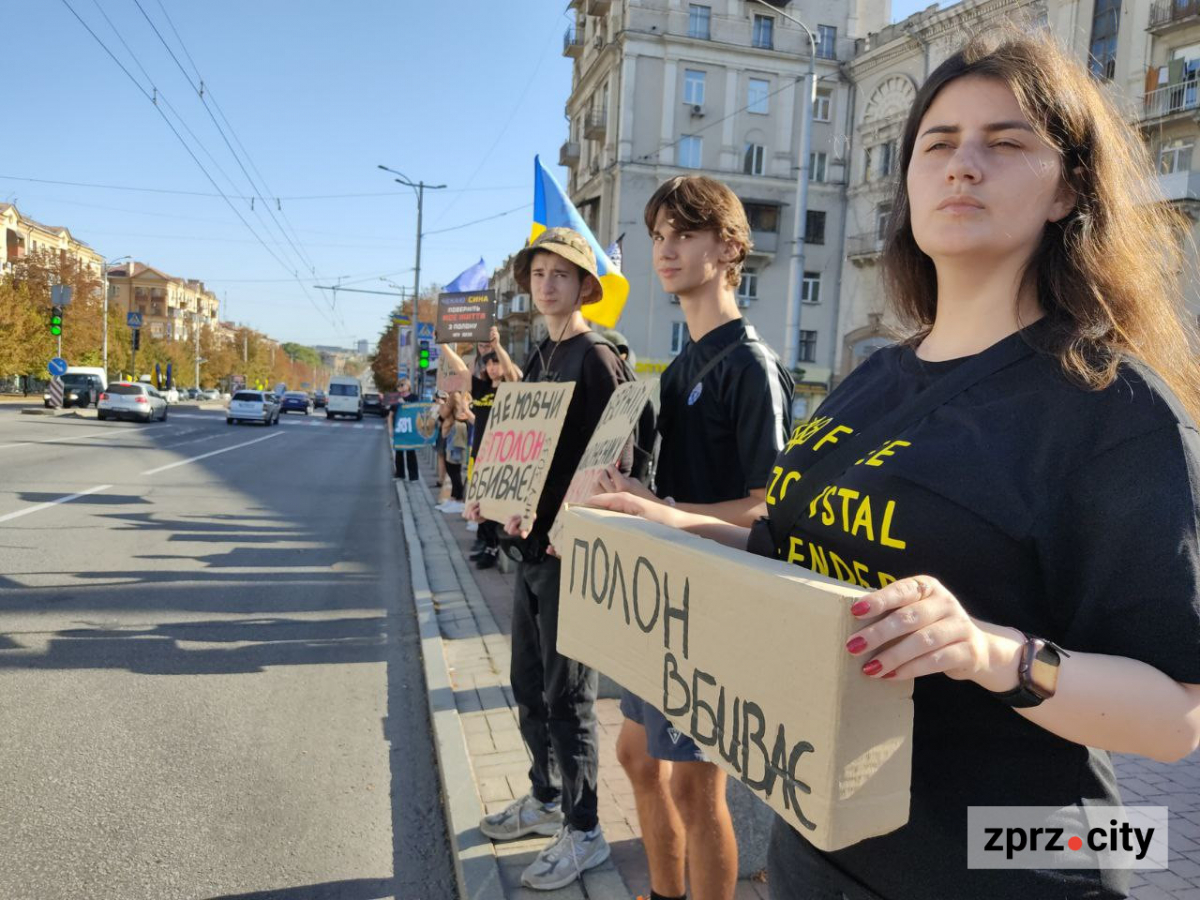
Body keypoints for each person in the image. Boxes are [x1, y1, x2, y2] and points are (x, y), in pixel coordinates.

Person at [591, 31, 1200, 900]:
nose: (963, 166)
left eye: (1007, 141)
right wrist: (667, 521)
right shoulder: (872, 377)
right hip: (819, 846)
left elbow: (1177, 719)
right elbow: (788, 548)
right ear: (909, 181)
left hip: (1004, 863)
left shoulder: (1113, 409)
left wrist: (992, 653)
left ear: (1067, 188)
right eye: (938, 143)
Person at [595, 175, 794, 900]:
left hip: (715, 603)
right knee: (637, 758)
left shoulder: (751, 365)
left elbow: (776, 506)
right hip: (666, 597)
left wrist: (666, 511)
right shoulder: (679, 367)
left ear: (730, 247)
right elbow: (661, 491)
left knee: (695, 788)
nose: (666, 249)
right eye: (657, 236)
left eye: (684, 234)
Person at [471, 227, 630, 891]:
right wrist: (493, 496)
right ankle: (545, 797)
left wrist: (573, 519)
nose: (547, 283)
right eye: (538, 273)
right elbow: (526, 446)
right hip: (530, 546)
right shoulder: (543, 352)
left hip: (572, 554)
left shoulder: (595, 356)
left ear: (584, 284)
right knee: (528, 686)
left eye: (560, 273)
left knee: (570, 698)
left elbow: (615, 460)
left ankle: (586, 830)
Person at [438, 326, 522, 568]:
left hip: (503, 456)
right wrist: (443, 345)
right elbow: (460, 370)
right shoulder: (481, 388)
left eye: (496, 363)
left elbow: (513, 375)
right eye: (489, 364)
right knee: (480, 501)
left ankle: (497, 547)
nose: (493, 367)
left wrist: (496, 346)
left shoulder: (511, 388)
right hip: (480, 454)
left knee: (497, 504)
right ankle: (487, 545)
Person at [436, 390, 472, 514]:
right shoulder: (462, 394)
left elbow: (443, 414)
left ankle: (459, 500)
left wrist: (442, 403)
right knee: (453, 467)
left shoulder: (456, 395)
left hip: (455, 431)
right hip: (458, 431)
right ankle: (454, 498)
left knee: (453, 468)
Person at [386, 376, 420, 481]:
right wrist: (390, 429)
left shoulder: (414, 397)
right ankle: (400, 474)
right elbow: (390, 415)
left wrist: (404, 403)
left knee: (411, 452)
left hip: (410, 428)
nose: (400, 387)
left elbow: (415, 412)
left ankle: (413, 476)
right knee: (399, 452)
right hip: (399, 428)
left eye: (402, 385)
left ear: (408, 386)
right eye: (398, 385)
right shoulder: (395, 398)